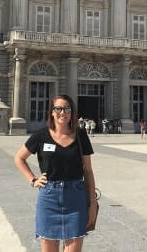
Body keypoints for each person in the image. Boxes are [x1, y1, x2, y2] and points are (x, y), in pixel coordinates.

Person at [14, 95, 97, 252]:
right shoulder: (40, 136)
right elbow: (19, 158)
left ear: (72, 112)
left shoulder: (80, 135)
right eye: (58, 108)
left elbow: (88, 171)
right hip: (49, 198)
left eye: (67, 109)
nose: (62, 112)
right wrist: (32, 180)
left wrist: (92, 203)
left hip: (76, 198)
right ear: (52, 112)